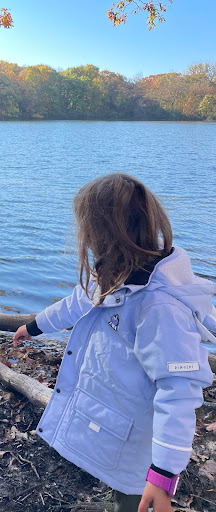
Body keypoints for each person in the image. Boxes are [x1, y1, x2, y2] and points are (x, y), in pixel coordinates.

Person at [13, 173, 216, 512]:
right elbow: (76, 303)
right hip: (115, 419)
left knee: (134, 495)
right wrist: (34, 326)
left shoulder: (159, 307)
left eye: (85, 229)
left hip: (143, 443)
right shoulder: (114, 273)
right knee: (121, 488)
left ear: (101, 233)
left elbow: (178, 391)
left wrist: (164, 475)